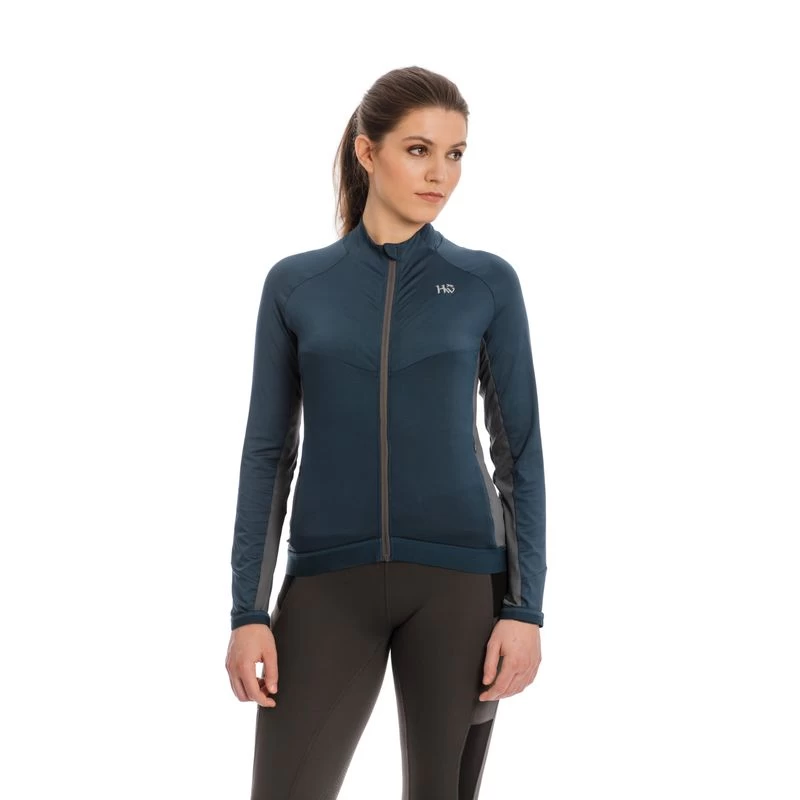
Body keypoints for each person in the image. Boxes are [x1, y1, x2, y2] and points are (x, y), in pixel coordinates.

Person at [225, 65, 547, 799]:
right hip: (326, 586)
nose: (441, 174)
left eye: (455, 154)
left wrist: (524, 610)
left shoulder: (486, 283)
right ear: (367, 152)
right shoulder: (297, 285)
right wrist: (249, 611)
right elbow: (267, 455)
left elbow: (519, 456)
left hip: (462, 588)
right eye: (419, 150)